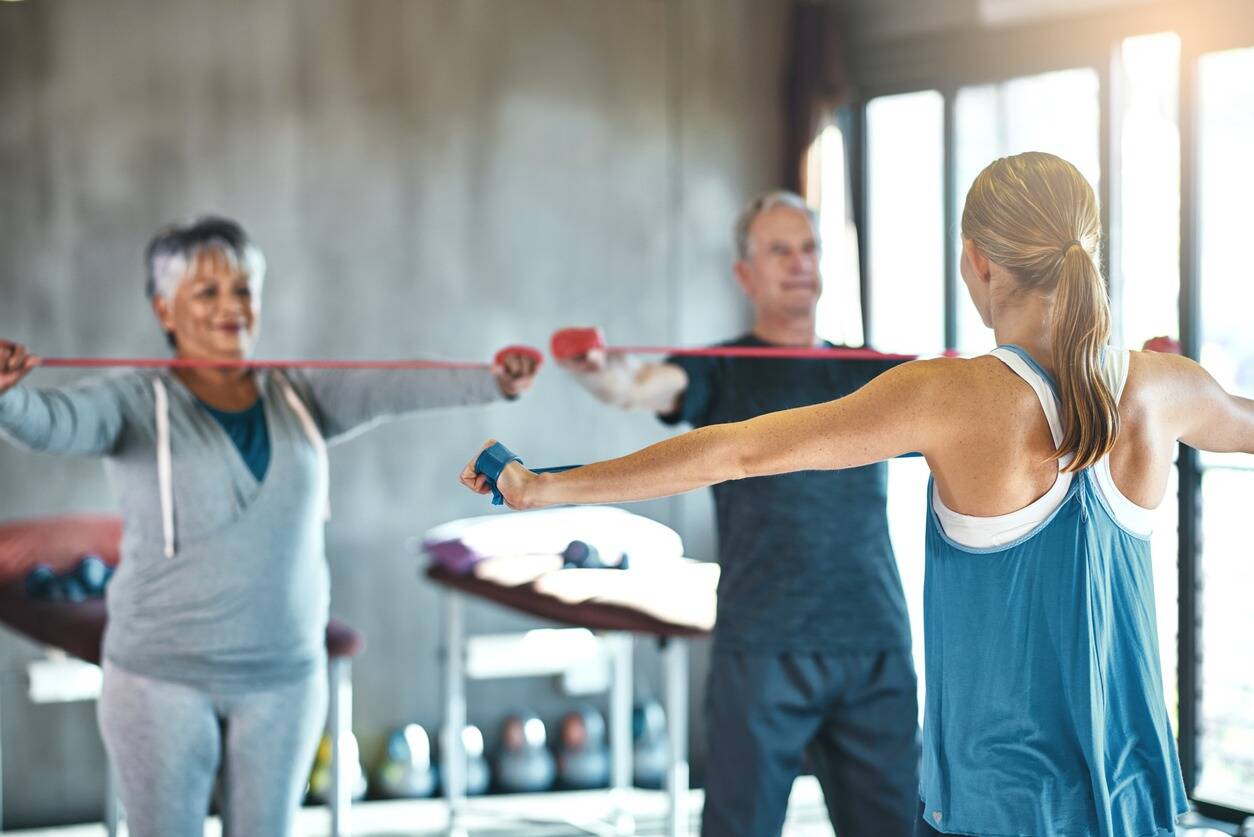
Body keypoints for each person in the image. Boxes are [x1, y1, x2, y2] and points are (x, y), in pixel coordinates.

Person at [465, 152, 1254, 836]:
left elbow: (736, 451)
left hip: (992, 804)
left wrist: (542, 486)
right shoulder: (1165, 387)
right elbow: (648, 389)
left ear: (977, 261)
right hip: (1141, 803)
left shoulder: (944, 393)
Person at [0, 216, 538, 837]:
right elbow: (53, 420)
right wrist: (8, 397)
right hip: (161, 680)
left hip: (285, 677)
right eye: (208, 292)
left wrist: (493, 380)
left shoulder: (297, 394)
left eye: (244, 289)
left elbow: (391, 383)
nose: (233, 307)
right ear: (164, 310)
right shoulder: (130, 401)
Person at [555, 190, 920, 837]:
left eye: (808, 248)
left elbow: (982, 402)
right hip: (762, 649)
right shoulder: (720, 368)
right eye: (779, 250)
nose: (799, 262)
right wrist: (597, 370)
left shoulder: (873, 372)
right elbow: (634, 385)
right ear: (744, 274)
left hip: (872, 644)